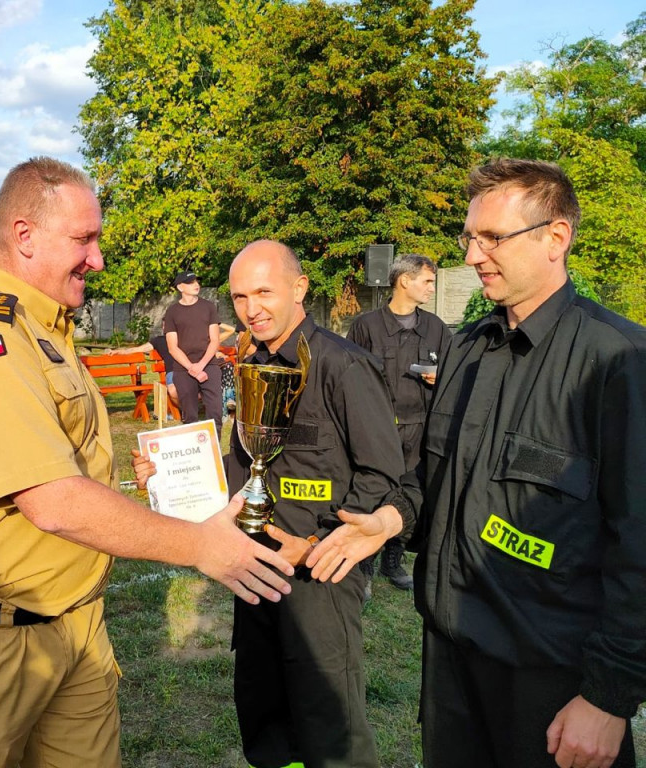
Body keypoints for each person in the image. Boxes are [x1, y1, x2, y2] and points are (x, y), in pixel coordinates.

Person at [0, 156, 294, 768]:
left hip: (73, 628)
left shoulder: (50, 329)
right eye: (84, 240)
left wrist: (146, 486)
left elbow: (64, 468)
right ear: (24, 236)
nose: (97, 259)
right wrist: (203, 546)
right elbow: (51, 499)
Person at [304, 159, 646, 768]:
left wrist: (608, 698)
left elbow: (640, 545)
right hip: (452, 666)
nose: (473, 255)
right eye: (469, 237)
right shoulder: (468, 348)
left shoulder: (617, 361)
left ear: (555, 239)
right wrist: (389, 519)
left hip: (552, 683)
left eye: (491, 238)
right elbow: (430, 476)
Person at [136, 240, 410, 768]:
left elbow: (382, 476)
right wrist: (166, 476)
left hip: (319, 577)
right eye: (239, 296)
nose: (251, 308)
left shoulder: (344, 366)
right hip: (251, 566)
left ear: (299, 288)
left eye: (264, 292)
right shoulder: (246, 363)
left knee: (331, 730)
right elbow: (243, 472)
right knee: (264, 721)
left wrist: (312, 547)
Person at [347, 253, 451, 592]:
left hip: (419, 431)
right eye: (427, 281)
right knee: (373, 494)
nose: (431, 288)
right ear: (404, 281)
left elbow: (455, 376)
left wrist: (443, 378)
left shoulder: (435, 328)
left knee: (409, 496)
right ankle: (364, 566)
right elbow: (349, 376)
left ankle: (395, 557)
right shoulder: (366, 326)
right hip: (376, 431)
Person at [163, 271, 223, 433]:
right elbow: (172, 347)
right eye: (190, 282)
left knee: (215, 412)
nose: (196, 285)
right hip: (183, 369)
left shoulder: (209, 307)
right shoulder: (172, 312)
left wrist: (201, 365)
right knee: (190, 416)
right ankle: (195, 454)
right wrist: (192, 368)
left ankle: (213, 454)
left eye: (197, 281)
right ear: (180, 287)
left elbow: (215, 340)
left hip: (209, 365)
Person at [105, 335, 179, 416]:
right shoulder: (158, 340)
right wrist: (118, 351)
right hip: (172, 372)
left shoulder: (183, 337)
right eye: (165, 325)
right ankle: (185, 410)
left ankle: (188, 409)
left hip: (187, 369)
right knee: (173, 390)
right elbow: (138, 349)